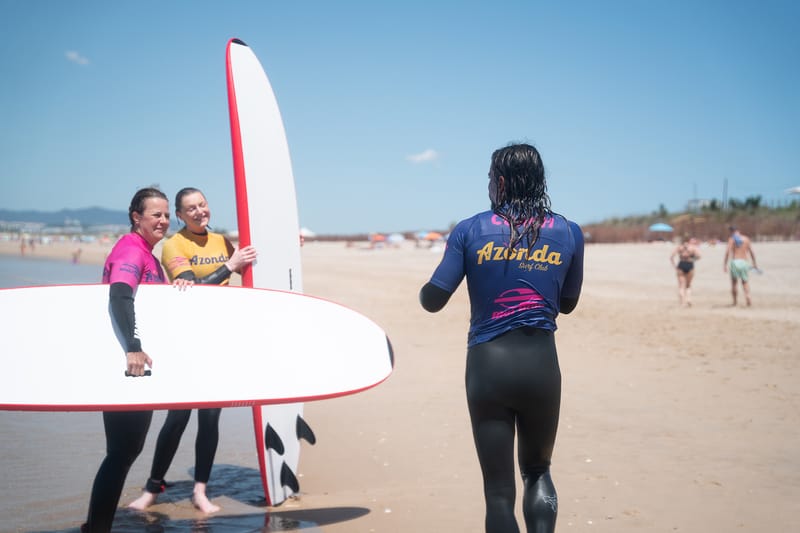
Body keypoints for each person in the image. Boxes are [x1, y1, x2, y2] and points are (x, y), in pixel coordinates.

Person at [419, 143, 584, 533]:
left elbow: (433, 300)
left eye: (491, 178)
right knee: (538, 471)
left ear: (503, 181)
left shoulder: (470, 229)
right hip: (542, 367)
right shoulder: (569, 232)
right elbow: (568, 303)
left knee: (497, 491)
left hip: (488, 368)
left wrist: (428, 289)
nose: (489, 185)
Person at [128, 187, 257, 514]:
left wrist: (286, 247)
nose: (200, 211)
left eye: (203, 205)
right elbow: (191, 290)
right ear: (181, 215)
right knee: (177, 417)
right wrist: (230, 266)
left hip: (220, 341)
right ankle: (152, 488)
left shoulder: (223, 242)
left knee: (211, 419)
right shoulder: (175, 244)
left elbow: (251, 268)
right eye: (190, 208)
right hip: (186, 341)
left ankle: (200, 490)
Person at [82, 187, 171, 533]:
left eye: (166, 215)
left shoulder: (146, 251)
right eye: (156, 214)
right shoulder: (131, 249)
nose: (163, 220)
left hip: (136, 365)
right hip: (129, 365)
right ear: (137, 217)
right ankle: (96, 528)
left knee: (126, 451)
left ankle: (96, 526)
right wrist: (132, 347)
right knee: (121, 452)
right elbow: (119, 295)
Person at [723, 226, 758, 306]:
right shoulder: (746, 239)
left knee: (734, 283)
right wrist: (754, 263)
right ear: (739, 230)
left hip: (735, 261)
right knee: (745, 282)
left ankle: (735, 301)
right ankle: (748, 296)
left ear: (731, 231)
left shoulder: (731, 239)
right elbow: (751, 252)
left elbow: (727, 252)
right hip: (744, 262)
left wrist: (725, 264)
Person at [670, 235, 701, 307]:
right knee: (688, 285)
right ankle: (689, 299)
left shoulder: (680, 247)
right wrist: (693, 259)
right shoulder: (693, 247)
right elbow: (699, 256)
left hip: (681, 264)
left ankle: (682, 302)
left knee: (681, 286)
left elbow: (671, 257)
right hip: (690, 265)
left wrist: (674, 266)